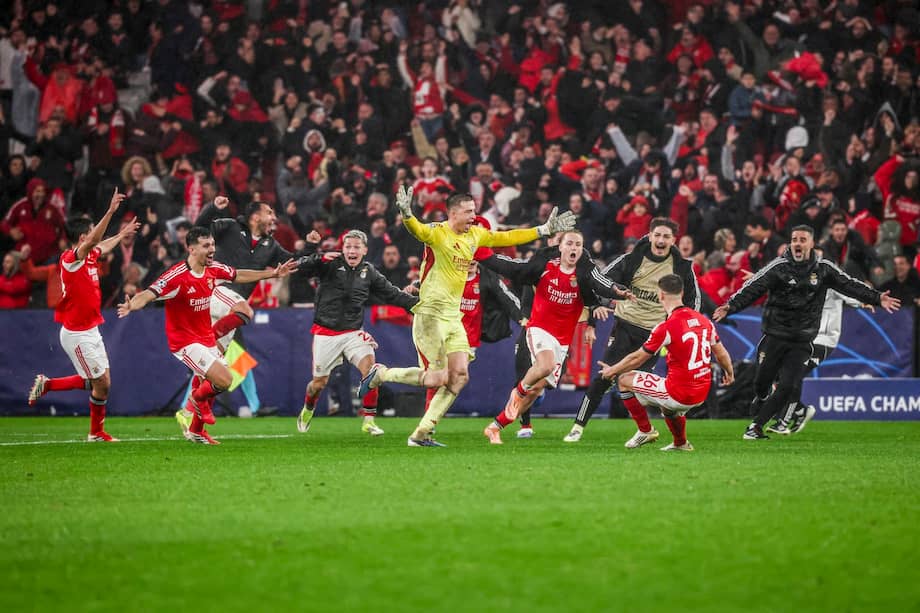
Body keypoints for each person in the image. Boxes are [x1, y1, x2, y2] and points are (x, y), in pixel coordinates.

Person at [358, 187, 576, 447]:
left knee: (460, 376)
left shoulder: (475, 235)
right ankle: (380, 375)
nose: (474, 215)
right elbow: (417, 230)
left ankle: (422, 432)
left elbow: (506, 237)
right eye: (469, 211)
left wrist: (542, 230)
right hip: (430, 314)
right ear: (453, 213)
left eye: (474, 211)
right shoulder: (438, 232)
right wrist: (407, 214)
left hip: (453, 317)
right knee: (437, 378)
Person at [714, 226, 901, 440]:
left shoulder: (824, 270)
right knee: (762, 383)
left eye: (803, 239)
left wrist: (876, 298)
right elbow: (754, 287)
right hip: (775, 335)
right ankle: (768, 398)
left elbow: (849, 285)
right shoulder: (779, 267)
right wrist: (730, 306)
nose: (798, 243)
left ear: (811, 244)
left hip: (804, 339)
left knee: (788, 384)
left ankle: (757, 426)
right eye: (794, 239)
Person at [117, 227, 297, 445]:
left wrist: (272, 273)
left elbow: (238, 274)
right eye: (206, 246)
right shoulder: (176, 277)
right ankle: (192, 404)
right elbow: (148, 293)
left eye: (212, 244)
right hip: (184, 342)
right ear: (191, 249)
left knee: (213, 383)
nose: (212, 249)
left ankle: (196, 431)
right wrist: (132, 305)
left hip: (206, 337)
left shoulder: (213, 269)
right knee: (223, 379)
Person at [482, 230, 631, 445]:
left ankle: (496, 426)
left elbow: (601, 286)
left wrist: (618, 293)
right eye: (569, 243)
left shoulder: (584, 274)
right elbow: (514, 268)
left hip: (562, 340)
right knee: (544, 367)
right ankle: (519, 390)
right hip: (539, 328)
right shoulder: (544, 266)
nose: (574, 248)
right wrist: (484, 255)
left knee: (536, 390)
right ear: (560, 247)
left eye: (578, 244)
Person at [564, 218, 701, 446]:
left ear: (673, 240)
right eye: (657, 235)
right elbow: (601, 281)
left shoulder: (683, 267)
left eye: (666, 236)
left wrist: (682, 326)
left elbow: (693, 301)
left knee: (633, 386)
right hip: (625, 327)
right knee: (603, 378)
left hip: (655, 334)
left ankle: (651, 430)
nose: (660, 240)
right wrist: (600, 305)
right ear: (649, 235)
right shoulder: (631, 259)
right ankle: (578, 427)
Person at [171, 196, 296, 434]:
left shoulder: (269, 246)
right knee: (242, 315)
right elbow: (199, 231)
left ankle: (188, 413)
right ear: (255, 216)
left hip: (227, 310)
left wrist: (315, 253)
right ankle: (254, 404)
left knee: (216, 366)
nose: (274, 217)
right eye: (269, 211)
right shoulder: (229, 226)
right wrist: (211, 209)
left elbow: (293, 262)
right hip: (216, 292)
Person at [28, 189, 139, 441]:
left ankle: (53, 390)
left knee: (102, 382)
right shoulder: (70, 259)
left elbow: (100, 244)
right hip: (77, 333)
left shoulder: (89, 256)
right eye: (90, 233)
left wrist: (121, 235)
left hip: (90, 328)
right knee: (99, 381)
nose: (93, 238)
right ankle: (94, 431)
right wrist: (110, 212)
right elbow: (93, 242)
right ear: (82, 237)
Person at [295, 229, 418, 436]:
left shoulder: (369, 271)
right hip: (326, 333)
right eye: (348, 246)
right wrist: (314, 251)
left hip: (353, 332)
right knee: (318, 384)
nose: (352, 251)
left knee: (371, 371)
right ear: (342, 249)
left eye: (356, 247)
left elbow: (392, 294)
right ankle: (308, 408)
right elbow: (302, 269)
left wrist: (419, 305)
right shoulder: (329, 263)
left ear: (365, 250)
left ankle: (369, 421)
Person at [596, 274, 735, 451]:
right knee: (667, 408)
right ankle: (681, 443)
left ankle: (645, 430)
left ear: (660, 295)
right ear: (682, 292)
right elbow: (721, 354)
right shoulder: (703, 321)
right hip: (702, 391)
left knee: (624, 379)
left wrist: (612, 370)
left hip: (679, 393)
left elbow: (638, 358)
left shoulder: (666, 326)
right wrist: (729, 373)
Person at [767, 248, 874, 436]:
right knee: (777, 376)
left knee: (794, 374)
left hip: (824, 339)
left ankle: (784, 421)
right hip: (804, 337)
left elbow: (852, 291)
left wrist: (867, 300)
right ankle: (800, 410)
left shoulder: (831, 280)